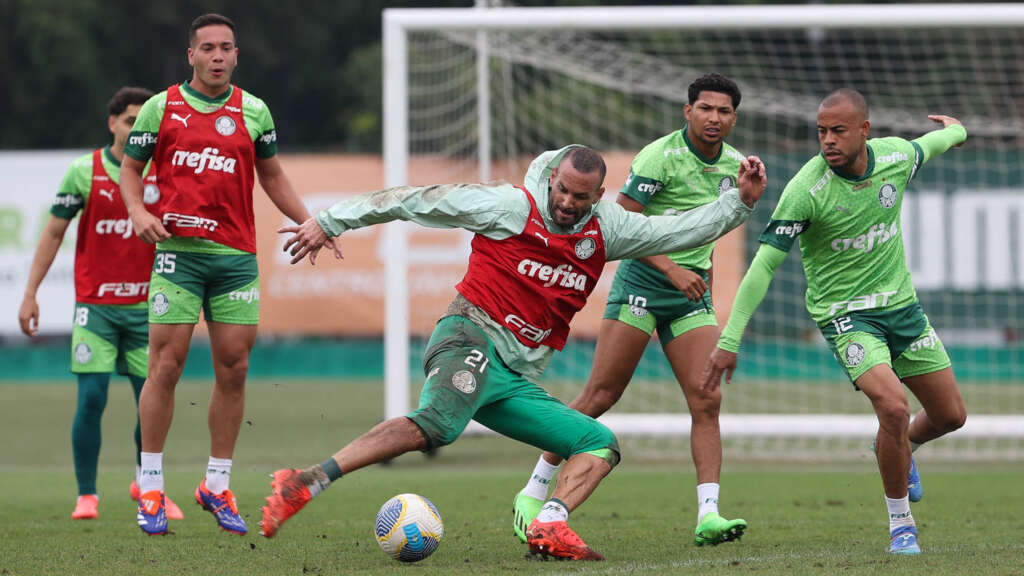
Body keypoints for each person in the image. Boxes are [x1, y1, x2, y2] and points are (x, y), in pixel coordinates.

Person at [259, 144, 766, 560]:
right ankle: (305, 481)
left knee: (598, 443)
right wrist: (332, 221)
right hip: (469, 336)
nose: (567, 202)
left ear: (599, 196)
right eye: (562, 189)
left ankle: (550, 522)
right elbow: (412, 200)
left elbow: (676, 231)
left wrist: (738, 204)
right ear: (552, 180)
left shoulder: (608, 227)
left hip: (510, 377)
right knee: (438, 425)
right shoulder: (508, 207)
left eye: (580, 196)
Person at [701, 89, 967, 555]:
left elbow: (933, 143)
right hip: (846, 317)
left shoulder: (895, 158)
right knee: (893, 407)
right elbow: (763, 266)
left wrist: (957, 130)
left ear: (864, 130)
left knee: (950, 416)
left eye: (838, 131)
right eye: (822, 131)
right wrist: (730, 337)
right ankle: (901, 525)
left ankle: (895, 447)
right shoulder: (807, 188)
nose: (828, 140)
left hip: (902, 308)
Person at [511, 73, 749, 547]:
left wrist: (699, 273)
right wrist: (672, 270)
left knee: (707, 399)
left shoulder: (736, 166)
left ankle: (709, 515)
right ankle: (533, 491)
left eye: (724, 111)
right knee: (601, 395)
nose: (714, 117)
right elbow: (620, 224)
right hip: (642, 284)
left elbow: (713, 229)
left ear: (734, 119)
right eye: (705, 108)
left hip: (689, 295)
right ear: (688, 111)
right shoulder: (659, 156)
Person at [121, 14, 320, 536]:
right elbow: (130, 169)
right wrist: (138, 212)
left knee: (234, 369)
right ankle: (151, 486)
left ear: (236, 55)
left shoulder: (254, 111)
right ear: (191, 55)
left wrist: (311, 222)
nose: (216, 56)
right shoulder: (161, 108)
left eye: (225, 48)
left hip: (235, 260)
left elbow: (272, 174)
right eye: (207, 47)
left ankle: (216, 484)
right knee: (166, 367)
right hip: (178, 256)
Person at [17, 86, 184, 522]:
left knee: (152, 401)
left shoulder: (164, 171)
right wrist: (31, 293)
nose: (136, 129)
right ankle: (87, 495)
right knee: (92, 398)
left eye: (144, 122)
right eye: (129, 121)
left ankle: (146, 485)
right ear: (112, 123)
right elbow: (54, 233)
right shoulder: (83, 172)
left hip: (149, 309)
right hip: (96, 309)